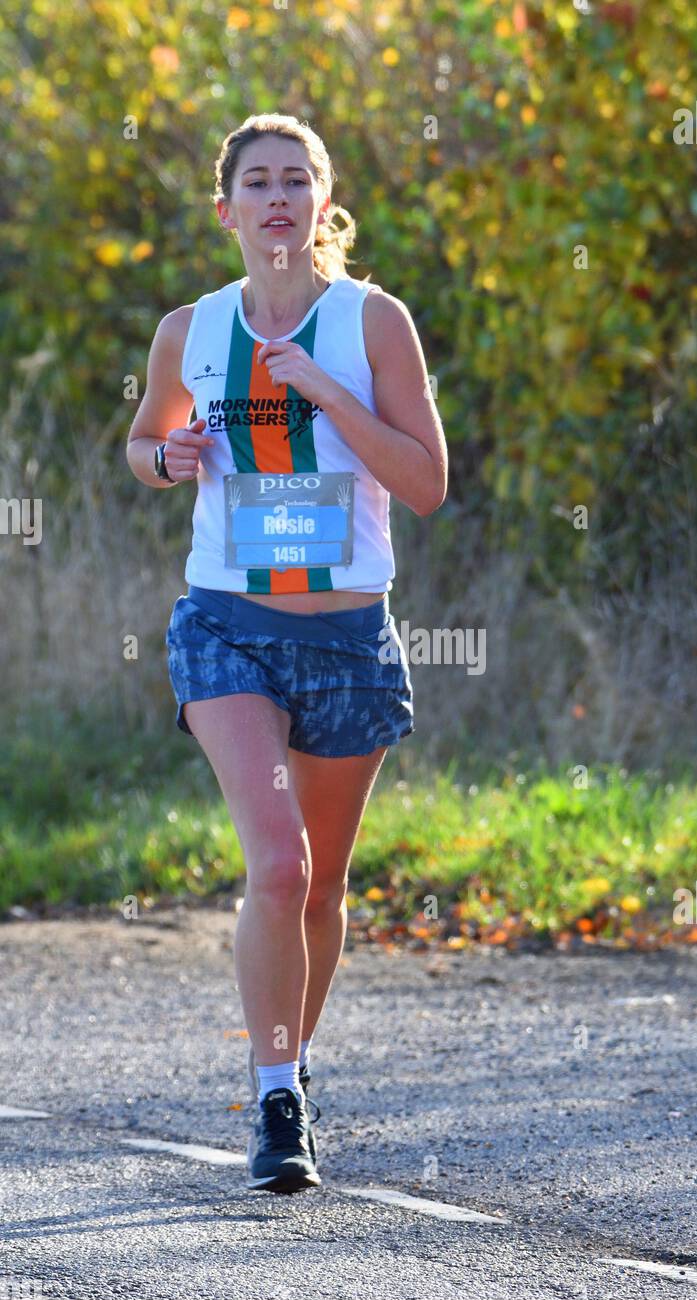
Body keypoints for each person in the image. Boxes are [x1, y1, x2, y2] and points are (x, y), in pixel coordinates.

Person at [126, 113, 447, 1193]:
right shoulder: (190, 330)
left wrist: (325, 392)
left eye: (294, 180)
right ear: (225, 210)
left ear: (322, 201)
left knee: (322, 888)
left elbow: (425, 482)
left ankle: (293, 1064)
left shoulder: (374, 322)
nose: (275, 198)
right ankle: (273, 1101)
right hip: (227, 626)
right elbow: (145, 442)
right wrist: (166, 457)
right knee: (280, 863)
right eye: (255, 182)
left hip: (349, 633)